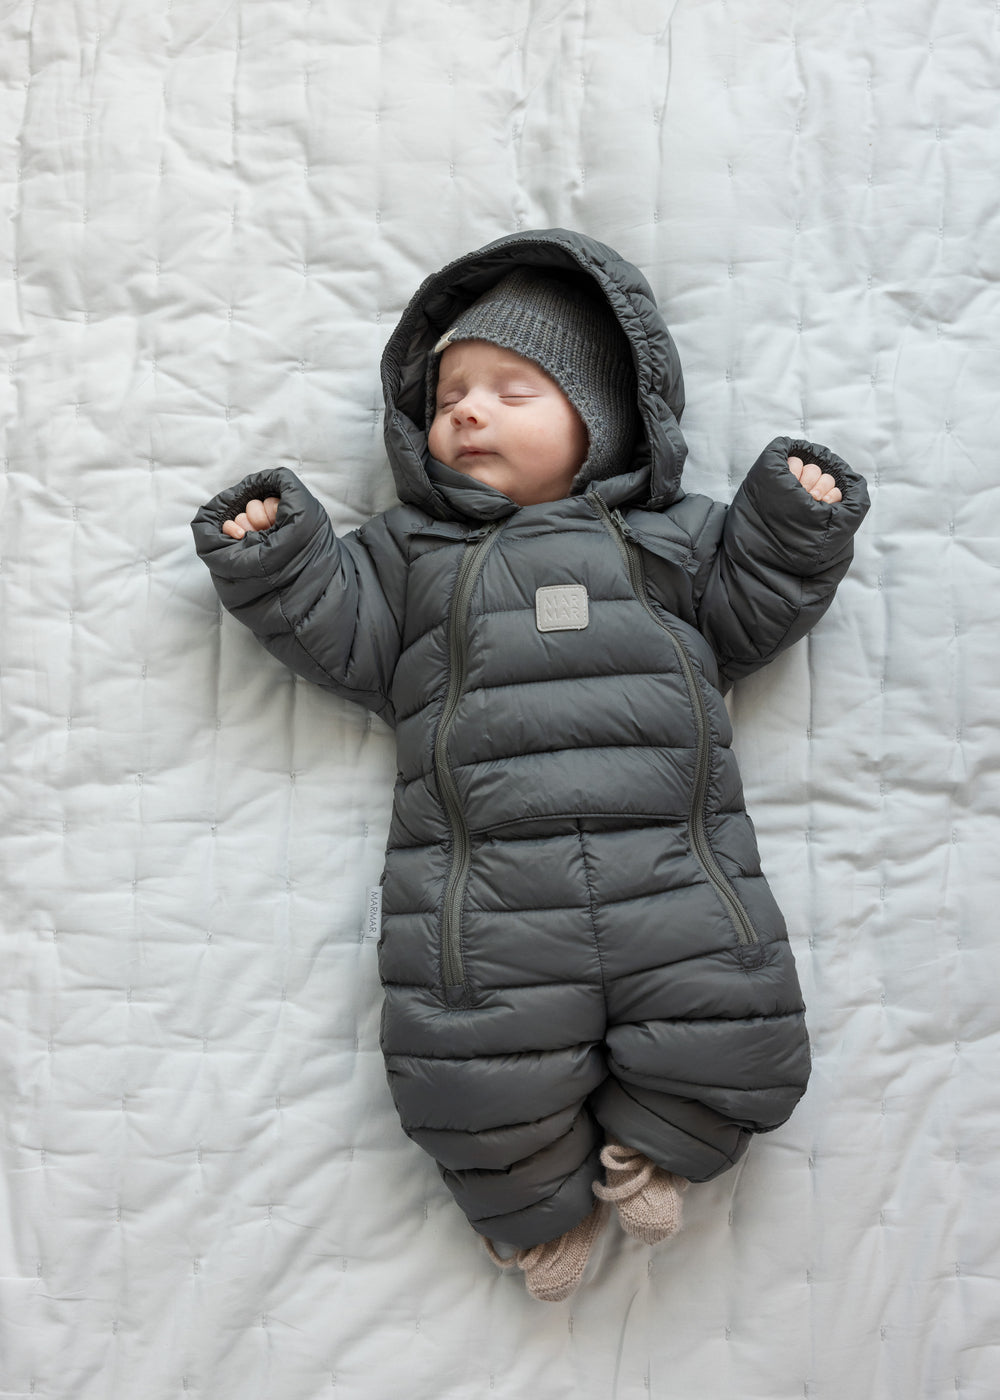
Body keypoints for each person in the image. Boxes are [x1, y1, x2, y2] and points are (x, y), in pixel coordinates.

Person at [191, 229, 869, 1302]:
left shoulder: (668, 538)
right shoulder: (411, 554)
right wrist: (277, 557)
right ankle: (530, 1206)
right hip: (484, 893)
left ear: (604, 419)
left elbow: (749, 610)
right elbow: (342, 632)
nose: (468, 412)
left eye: (512, 390)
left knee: (735, 1019)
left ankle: (668, 1137)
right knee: (466, 1066)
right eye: (449, 395)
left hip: (673, 868)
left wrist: (794, 522)